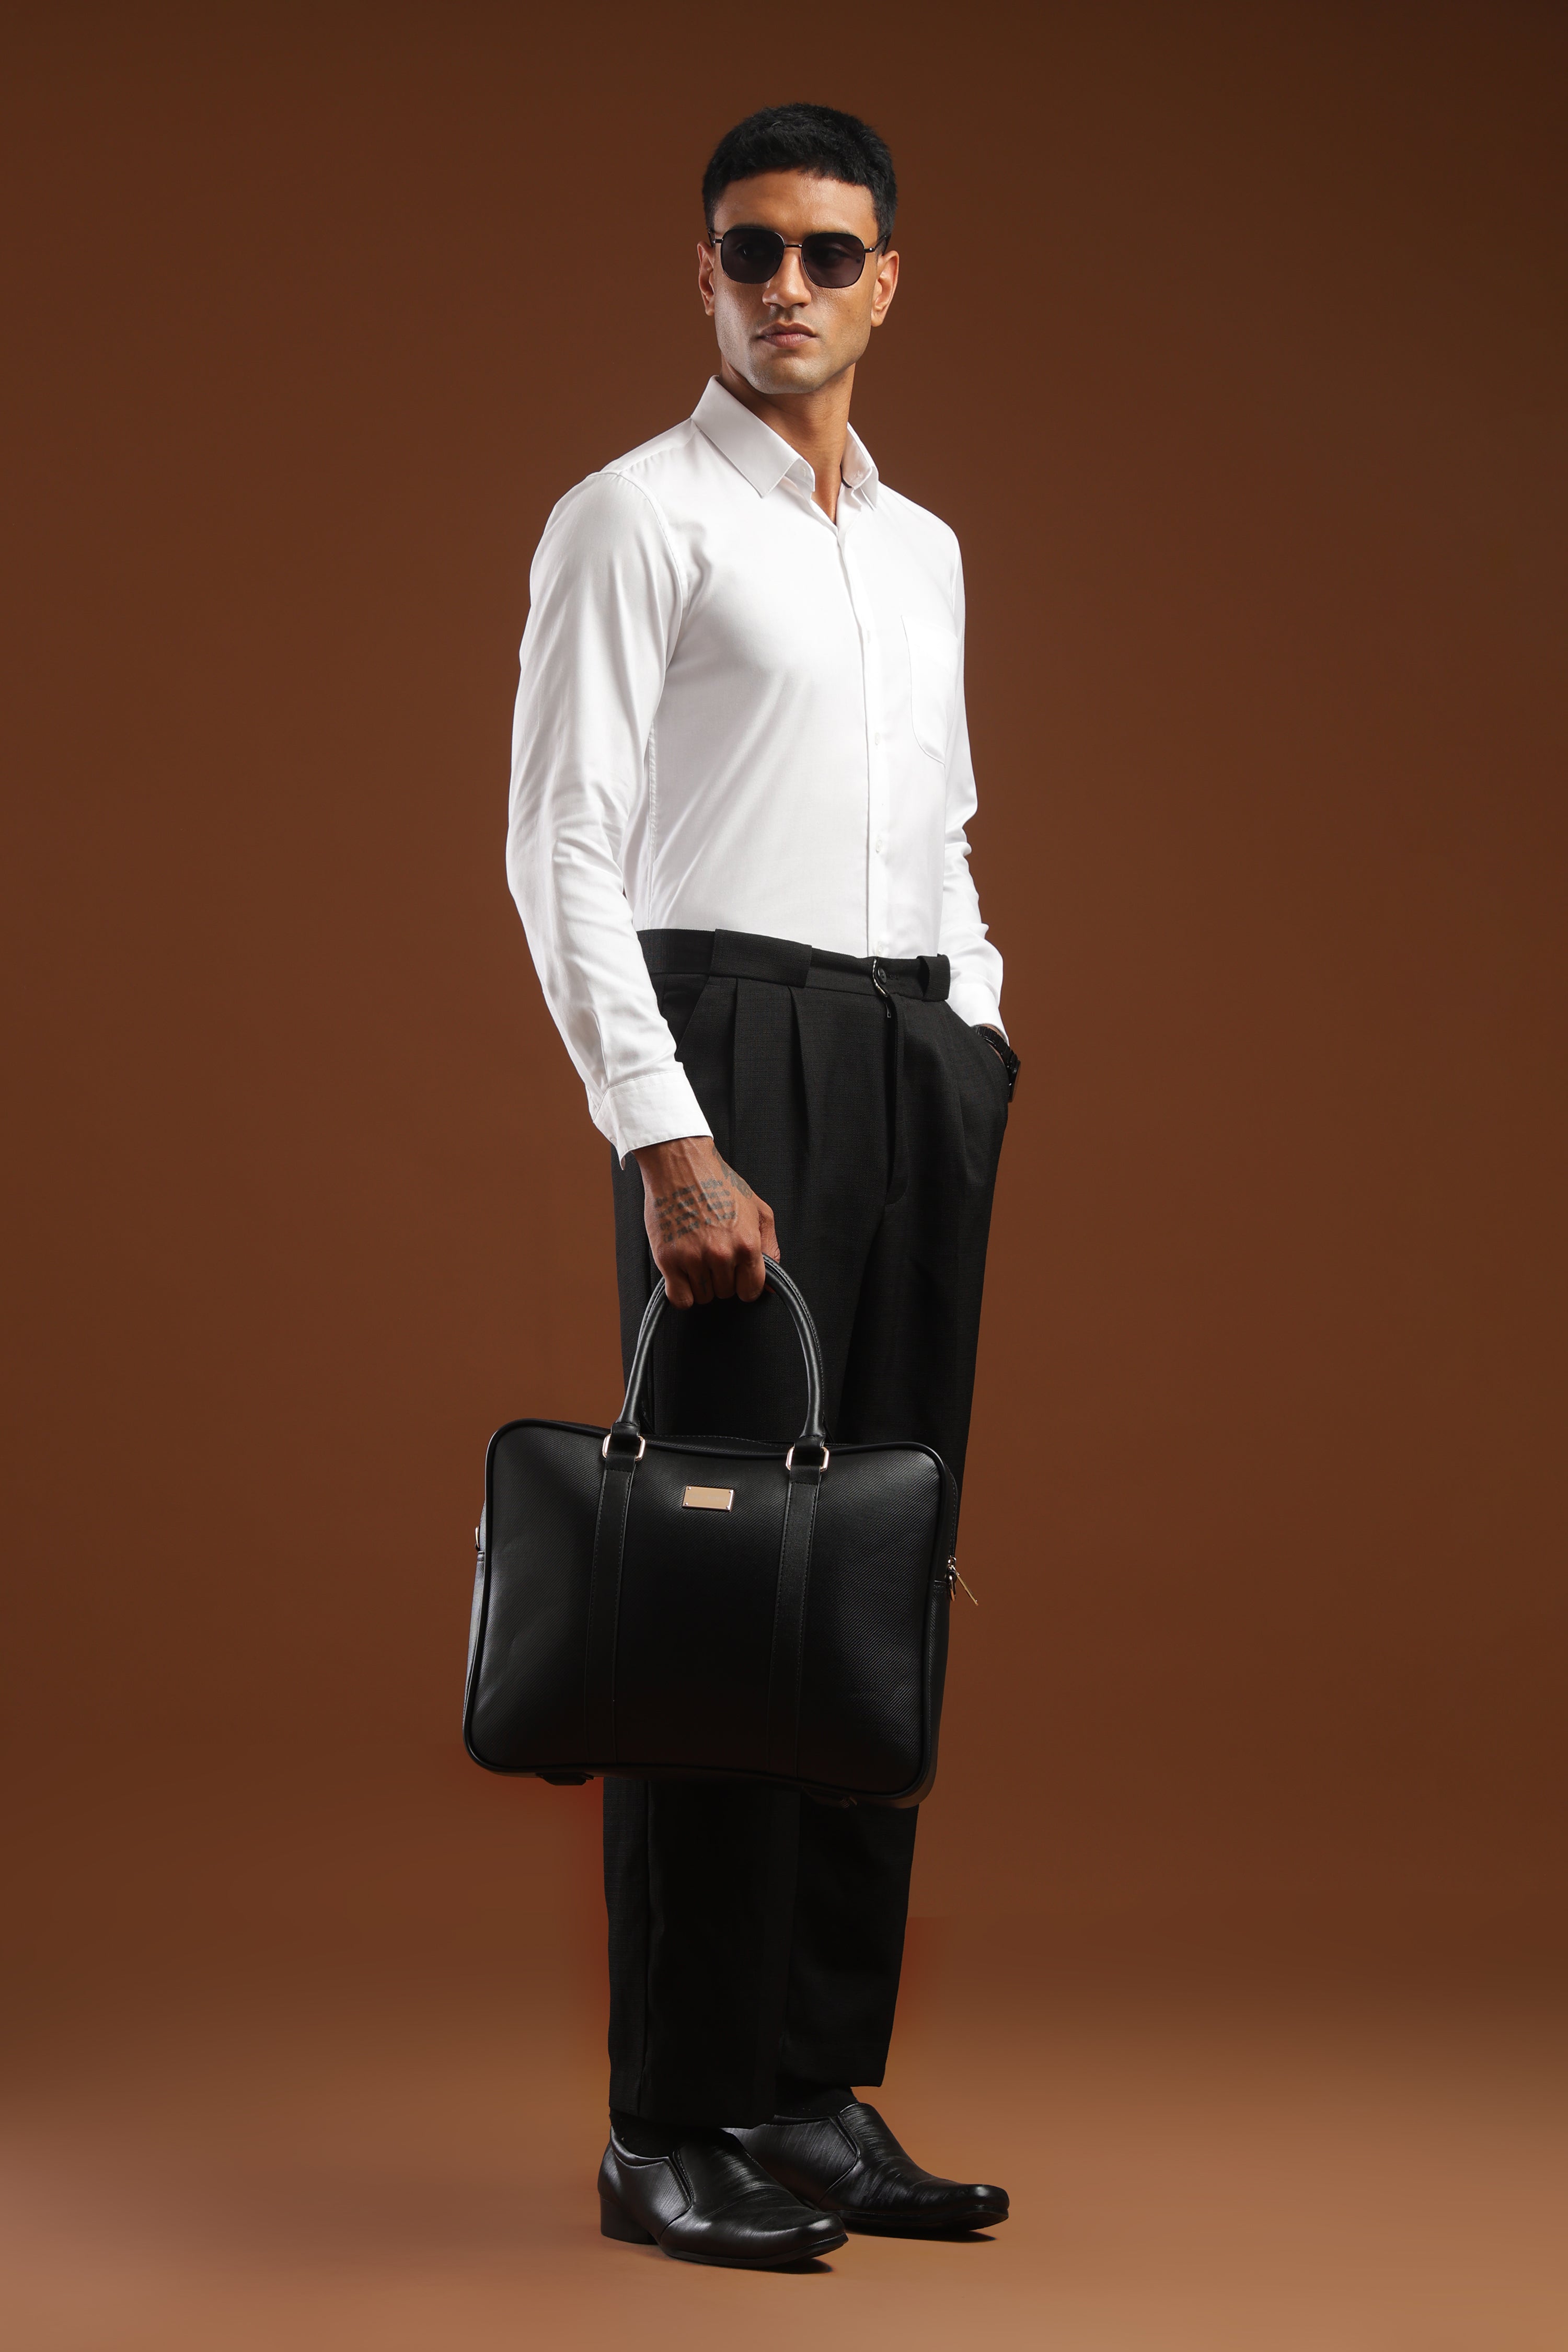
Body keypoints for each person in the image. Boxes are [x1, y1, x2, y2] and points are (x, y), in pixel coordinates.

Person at [507, 101, 1018, 2269]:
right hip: (734, 1051)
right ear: (702, 275)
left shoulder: (924, 549)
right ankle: (666, 2121)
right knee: (715, 1599)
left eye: (826, 253)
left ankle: (808, 2090)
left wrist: (978, 1029)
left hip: (912, 1058)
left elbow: (949, 824)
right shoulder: (633, 519)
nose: (786, 286)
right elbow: (561, 844)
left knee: (873, 1582)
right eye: (750, 251)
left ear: (887, 281)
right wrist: (667, 1128)